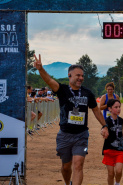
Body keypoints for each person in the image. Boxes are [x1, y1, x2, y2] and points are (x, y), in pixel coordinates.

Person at [34, 54, 109, 185]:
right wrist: (40, 69)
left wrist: (104, 125)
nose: (81, 78)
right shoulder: (62, 89)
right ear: (70, 76)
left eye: (82, 76)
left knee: (78, 165)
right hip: (64, 135)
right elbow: (49, 80)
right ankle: (67, 182)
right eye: (78, 75)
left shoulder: (87, 93)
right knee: (66, 167)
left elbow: (95, 110)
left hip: (81, 135)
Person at [102, 99, 123, 185]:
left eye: (119, 107)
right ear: (109, 109)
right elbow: (103, 130)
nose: (118, 109)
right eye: (116, 107)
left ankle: (117, 183)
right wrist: (103, 132)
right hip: (109, 149)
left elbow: (120, 133)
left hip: (120, 149)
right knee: (111, 174)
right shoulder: (106, 121)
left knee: (119, 170)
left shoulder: (121, 120)